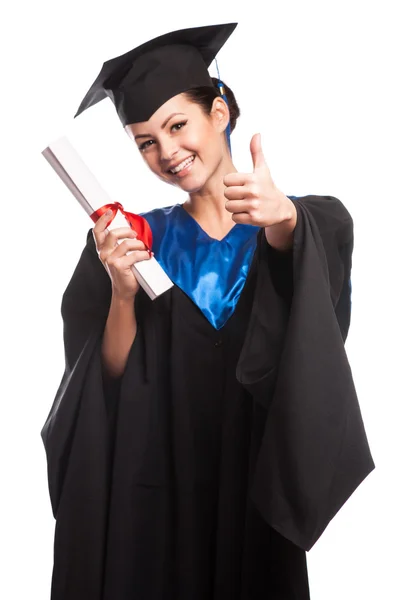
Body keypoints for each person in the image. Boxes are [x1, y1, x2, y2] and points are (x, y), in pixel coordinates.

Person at [41, 23, 375, 600]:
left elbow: (316, 312)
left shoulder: (290, 225)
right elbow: (105, 382)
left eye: (177, 125)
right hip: (155, 493)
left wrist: (285, 219)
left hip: (254, 491)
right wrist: (122, 291)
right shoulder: (135, 242)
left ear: (218, 113)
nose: (167, 152)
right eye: (146, 141)